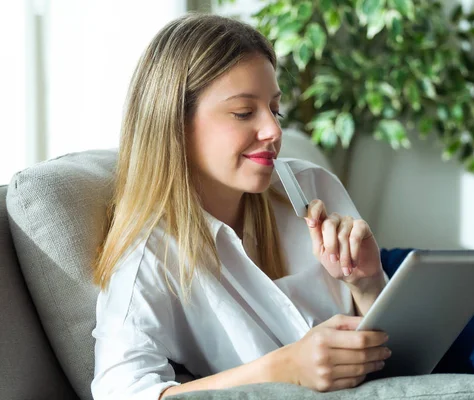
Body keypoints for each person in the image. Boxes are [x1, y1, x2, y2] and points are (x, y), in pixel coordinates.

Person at [91, 13, 390, 400]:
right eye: (244, 113)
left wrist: (367, 283)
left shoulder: (312, 186)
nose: (274, 131)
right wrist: (283, 369)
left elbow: (398, 356)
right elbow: (122, 392)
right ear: (175, 123)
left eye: (275, 109)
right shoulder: (150, 256)